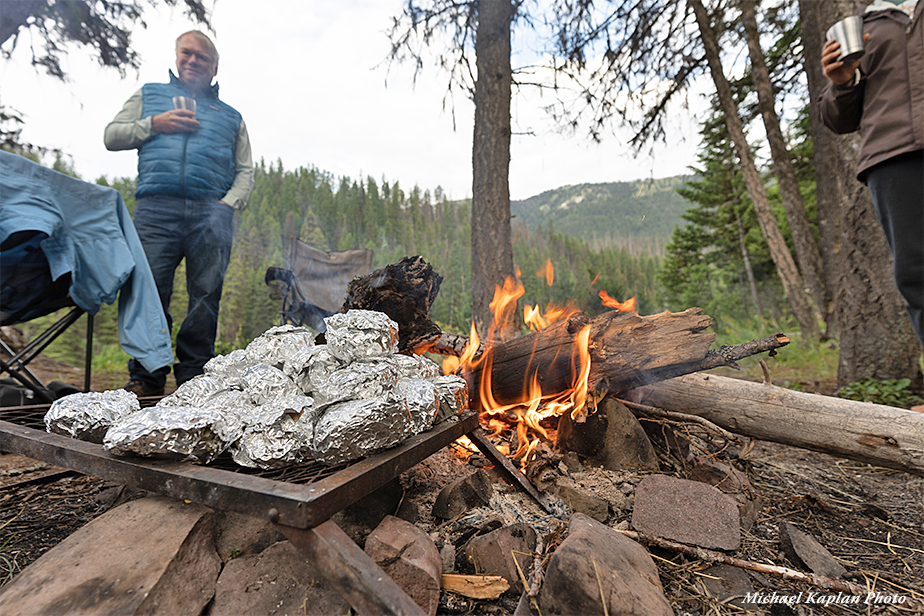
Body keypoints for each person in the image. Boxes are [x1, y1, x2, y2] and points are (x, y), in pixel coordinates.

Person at [104, 30, 254, 396]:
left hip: (212, 215)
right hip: (157, 209)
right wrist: (155, 124)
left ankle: (193, 375)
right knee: (149, 291)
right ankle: (146, 376)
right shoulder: (150, 96)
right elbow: (112, 136)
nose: (192, 61)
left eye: (201, 57)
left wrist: (227, 205)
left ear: (214, 67)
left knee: (206, 295)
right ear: (176, 57)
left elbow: (245, 170)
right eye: (186, 53)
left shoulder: (231, 116)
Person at [819, 0, 923, 352]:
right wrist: (842, 82)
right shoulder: (865, 24)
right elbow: (837, 119)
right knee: (917, 276)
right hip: (893, 157)